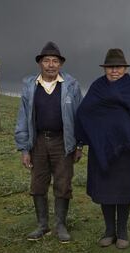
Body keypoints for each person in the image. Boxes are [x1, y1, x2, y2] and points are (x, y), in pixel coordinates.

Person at [75, 48, 130, 249]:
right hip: (102, 148)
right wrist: (86, 139)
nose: (114, 71)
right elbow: (84, 112)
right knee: (105, 190)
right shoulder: (97, 87)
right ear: (105, 68)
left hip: (126, 150)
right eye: (110, 67)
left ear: (125, 68)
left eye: (118, 67)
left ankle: (122, 231)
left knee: (124, 190)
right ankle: (109, 231)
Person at [14, 41, 83, 242]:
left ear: (60, 64)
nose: (51, 65)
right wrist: (24, 149)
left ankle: (61, 225)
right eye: (47, 61)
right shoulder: (29, 86)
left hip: (63, 141)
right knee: (38, 184)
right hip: (38, 142)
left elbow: (79, 117)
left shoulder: (71, 85)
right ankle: (42, 225)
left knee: (63, 183)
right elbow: (22, 118)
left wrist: (79, 144)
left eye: (55, 61)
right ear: (40, 64)